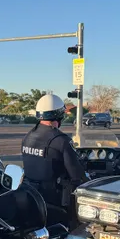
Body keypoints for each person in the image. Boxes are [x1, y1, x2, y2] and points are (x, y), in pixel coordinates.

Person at [21, 94, 87, 226]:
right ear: (59, 115)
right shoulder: (61, 140)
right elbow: (77, 176)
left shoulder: (28, 137)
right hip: (54, 201)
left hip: (31, 196)